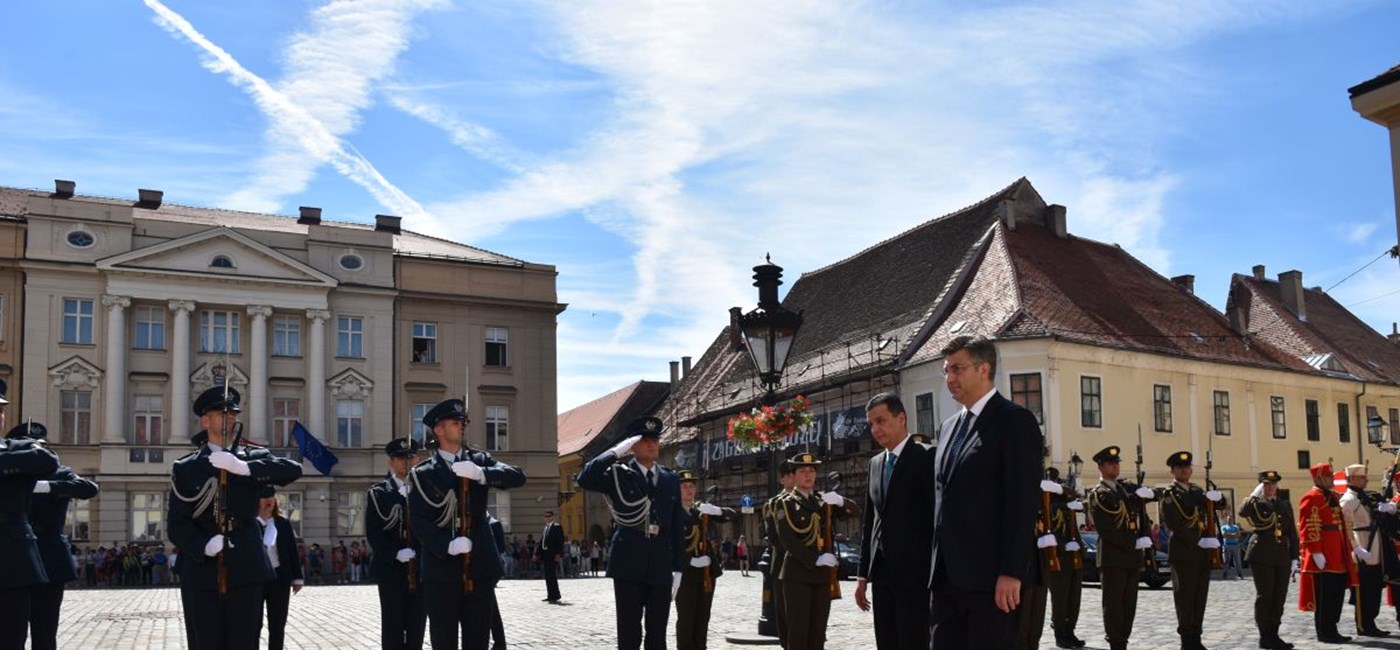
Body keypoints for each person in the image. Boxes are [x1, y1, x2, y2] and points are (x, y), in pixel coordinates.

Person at [167, 385, 303, 650]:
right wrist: (203, 543)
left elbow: (293, 469)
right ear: (205, 420)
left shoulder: (253, 458)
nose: (229, 418)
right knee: (205, 641)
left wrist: (244, 468)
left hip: (246, 562)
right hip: (201, 567)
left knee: (245, 640)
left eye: (233, 413)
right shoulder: (187, 468)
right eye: (222, 413)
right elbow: (176, 525)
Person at [927, 336, 1040, 649]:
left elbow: (1022, 502)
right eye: (946, 371)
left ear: (984, 369)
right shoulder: (949, 427)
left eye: (957, 369)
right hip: (947, 578)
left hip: (991, 580)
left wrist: (1011, 571)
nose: (950, 378)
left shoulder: (1014, 421)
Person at [409, 397, 526, 650]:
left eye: (463, 422)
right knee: (444, 640)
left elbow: (517, 476)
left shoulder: (480, 460)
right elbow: (418, 521)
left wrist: (481, 474)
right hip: (441, 570)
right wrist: (446, 545)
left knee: (478, 640)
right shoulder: (422, 474)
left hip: (479, 566)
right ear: (438, 429)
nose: (461, 426)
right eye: (455, 422)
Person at [576, 416, 686, 650]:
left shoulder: (670, 478)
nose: (651, 444)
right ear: (632, 445)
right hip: (628, 559)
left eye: (654, 439)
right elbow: (584, 479)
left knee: (658, 632)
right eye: (644, 440)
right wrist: (615, 452)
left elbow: (677, 525)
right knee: (628, 631)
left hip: (660, 560)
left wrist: (678, 567)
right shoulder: (618, 474)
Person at [854, 392, 935, 650]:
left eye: (881, 421)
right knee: (886, 641)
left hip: (917, 574)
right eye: (871, 424)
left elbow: (937, 518)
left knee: (914, 641)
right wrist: (862, 575)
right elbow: (870, 523)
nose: (875, 429)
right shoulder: (876, 464)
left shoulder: (927, 457)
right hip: (883, 574)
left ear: (901, 418)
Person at [8, 422, 98, 650]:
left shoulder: (59, 472)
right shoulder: (12, 474)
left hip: (50, 556)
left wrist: (50, 487)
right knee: (11, 629)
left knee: (45, 630)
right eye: (30, 446)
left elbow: (88, 488)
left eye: (40, 446)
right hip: (16, 555)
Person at [0, 394, 61, 648]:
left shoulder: (16, 449)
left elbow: (47, 461)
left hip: (11, 561)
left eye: (1, 411)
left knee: (12, 635)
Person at [776, 452, 854, 650]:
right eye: (802, 471)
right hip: (798, 574)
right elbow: (787, 539)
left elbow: (855, 513)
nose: (808, 475)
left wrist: (841, 501)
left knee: (818, 632)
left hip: (821, 576)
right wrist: (815, 559)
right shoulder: (785, 503)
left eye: (811, 471)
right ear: (793, 476)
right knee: (799, 632)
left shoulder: (822, 501)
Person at [1086, 445, 1156, 650]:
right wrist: (1133, 541)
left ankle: (1123, 640)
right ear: (1100, 467)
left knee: (1129, 605)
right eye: (1110, 463)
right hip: (1112, 557)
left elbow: (1145, 505)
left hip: (1132, 557)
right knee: (1114, 604)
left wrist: (1148, 493)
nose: (1115, 466)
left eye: (1117, 463)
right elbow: (1106, 529)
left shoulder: (1125, 490)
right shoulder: (1099, 494)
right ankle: (1115, 642)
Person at [367, 437, 427, 650]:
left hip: (420, 570)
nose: (406, 463)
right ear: (391, 462)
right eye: (401, 458)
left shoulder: (425, 492)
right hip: (391, 571)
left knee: (417, 626)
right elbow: (374, 533)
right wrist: (395, 552)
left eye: (410, 458)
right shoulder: (378, 494)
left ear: (418, 459)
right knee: (392, 626)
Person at [1160, 451, 1224, 650]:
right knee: (1185, 596)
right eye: (1179, 468)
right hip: (1184, 552)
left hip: (1202, 553)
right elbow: (1174, 524)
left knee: (1199, 596)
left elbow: (1219, 506)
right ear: (1173, 471)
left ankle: (1196, 637)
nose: (1184, 470)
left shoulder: (1196, 491)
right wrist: (1199, 540)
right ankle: (1187, 640)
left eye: (1187, 467)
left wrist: (1217, 497)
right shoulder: (1170, 494)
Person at [1239, 470, 1299, 650]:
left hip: (1281, 555)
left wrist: (1295, 556)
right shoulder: (1256, 503)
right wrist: (1253, 495)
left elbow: (1291, 532)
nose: (1270, 487)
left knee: (1279, 596)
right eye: (1265, 484)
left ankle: (1274, 633)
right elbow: (1243, 512)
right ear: (1261, 486)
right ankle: (1265, 636)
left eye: (1272, 484)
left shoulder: (1284, 505)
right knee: (1265, 596)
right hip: (1261, 554)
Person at [1298, 461, 1357, 644]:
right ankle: (1325, 631)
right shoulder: (1311, 497)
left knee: (1337, 594)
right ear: (1319, 478)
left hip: (1338, 551)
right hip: (1324, 553)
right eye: (1329, 476)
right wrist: (1316, 551)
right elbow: (1308, 526)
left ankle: (1333, 628)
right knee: (1325, 596)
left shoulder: (1330, 495)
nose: (1332, 479)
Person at [673, 470, 730, 650]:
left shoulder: (702, 511)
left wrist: (717, 510)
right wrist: (688, 560)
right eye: (684, 486)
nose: (689, 490)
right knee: (686, 619)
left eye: (691, 486)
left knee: (703, 618)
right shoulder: (671, 513)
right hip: (685, 573)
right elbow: (667, 545)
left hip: (707, 573)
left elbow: (733, 515)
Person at [1340, 463, 1394, 637]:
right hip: (1362, 545)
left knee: (1375, 587)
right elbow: (1345, 527)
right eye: (1363, 477)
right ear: (1353, 479)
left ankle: (1371, 622)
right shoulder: (1348, 500)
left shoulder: (1364, 497)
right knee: (1364, 590)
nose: (1366, 480)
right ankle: (1363, 624)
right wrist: (1355, 549)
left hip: (1375, 546)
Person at [1046, 466, 1087, 649]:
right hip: (1058, 557)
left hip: (1073, 556)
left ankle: (1070, 631)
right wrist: (1063, 546)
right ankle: (1060, 633)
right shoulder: (1048, 506)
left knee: (1074, 598)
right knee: (1061, 598)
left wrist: (1080, 549)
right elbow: (1050, 530)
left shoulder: (1067, 505)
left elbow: (1073, 530)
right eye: (1053, 480)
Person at [258, 486, 304, 650]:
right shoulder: (251, 522)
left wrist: (297, 578)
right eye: (264, 497)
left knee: (277, 624)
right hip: (256, 579)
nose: (268, 501)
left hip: (279, 577)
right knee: (254, 625)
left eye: (271, 497)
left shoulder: (282, 522)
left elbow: (292, 551)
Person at [762, 461, 797, 645]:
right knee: (785, 614)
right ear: (781, 479)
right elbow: (773, 537)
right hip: (782, 565)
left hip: (807, 567)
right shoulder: (772, 504)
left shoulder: (810, 501)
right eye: (788, 475)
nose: (792, 478)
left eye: (794, 474)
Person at [489, 513, 507, 650]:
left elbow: (501, 547)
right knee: (492, 609)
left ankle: (499, 642)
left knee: (491, 609)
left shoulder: (494, 524)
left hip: (488, 570)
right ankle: (499, 642)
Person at [538, 510, 565, 603]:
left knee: (552, 576)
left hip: (553, 555)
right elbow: (542, 541)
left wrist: (558, 554)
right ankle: (550, 595)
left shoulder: (557, 527)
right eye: (545, 516)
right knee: (547, 576)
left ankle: (556, 595)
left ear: (552, 517)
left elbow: (560, 541)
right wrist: (536, 553)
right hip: (545, 554)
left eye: (549, 516)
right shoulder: (545, 528)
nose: (547, 518)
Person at [1219, 515, 1244, 580]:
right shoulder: (1223, 527)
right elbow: (1224, 535)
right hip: (1227, 545)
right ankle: (1225, 574)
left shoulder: (1236, 527)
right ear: (1227, 520)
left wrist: (1229, 534)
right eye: (1228, 519)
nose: (1229, 520)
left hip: (1235, 545)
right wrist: (1233, 534)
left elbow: (1238, 535)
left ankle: (1239, 574)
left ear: (1232, 520)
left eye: (1230, 519)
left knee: (1237, 561)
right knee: (1226, 561)